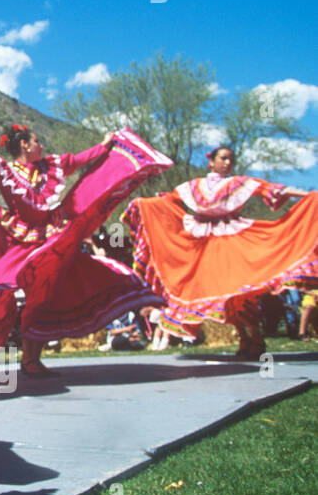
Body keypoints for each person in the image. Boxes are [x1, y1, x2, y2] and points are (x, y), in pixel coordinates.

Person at [0, 124, 171, 377]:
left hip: (53, 239)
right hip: (21, 242)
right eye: (37, 141)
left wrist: (105, 145)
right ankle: (7, 350)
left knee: (42, 298)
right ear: (25, 145)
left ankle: (31, 359)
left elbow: (81, 159)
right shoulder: (1, 168)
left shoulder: (52, 165)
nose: (42, 146)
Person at [123, 146, 316, 358]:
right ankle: (244, 337)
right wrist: (142, 204)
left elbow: (274, 190)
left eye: (231, 159)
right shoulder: (192, 187)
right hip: (202, 245)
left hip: (232, 241)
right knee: (220, 294)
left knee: (238, 291)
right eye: (223, 158)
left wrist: (308, 195)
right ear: (211, 161)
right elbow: (168, 202)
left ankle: (256, 338)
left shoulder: (238, 183)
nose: (227, 163)